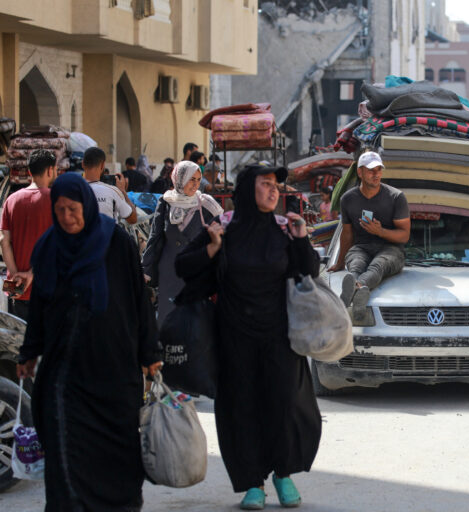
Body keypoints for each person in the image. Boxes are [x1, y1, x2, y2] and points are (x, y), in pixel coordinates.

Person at [175, 164, 321, 510]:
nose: (273, 191)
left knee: (284, 404)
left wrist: (302, 241)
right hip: (233, 338)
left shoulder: (285, 229)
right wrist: (211, 249)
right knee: (241, 408)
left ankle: (283, 474)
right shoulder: (223, 227)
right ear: (246, 190)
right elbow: (183, 266)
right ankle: (252, 483)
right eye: (266, 184)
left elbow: (309, 270)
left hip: (279, 337)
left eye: (276, 186)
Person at [16, 173, 162, 510]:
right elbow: (39, 307)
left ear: (87, 204)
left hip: (114, 374)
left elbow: (139, 300)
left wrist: (149, 351)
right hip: (65, 375)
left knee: (118, 460)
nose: (67, 217)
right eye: (61, 210)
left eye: (73, 208)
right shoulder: (48, 248)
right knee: (65, 458)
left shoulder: (117, 244)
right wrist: (29, 352)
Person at [328, 151, 410, 320]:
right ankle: (358, 291)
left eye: (379, 169)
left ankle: (357, 288)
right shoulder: (348, 199)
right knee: (356, 265)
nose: (376, 174)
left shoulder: (396, 197)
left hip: (391, 250)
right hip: (361, 247)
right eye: (371, 170)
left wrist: (381, 232)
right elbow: (347, 233)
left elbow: (404, 236)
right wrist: (340, 262)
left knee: (378, 266)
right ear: (360, 172)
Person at [142, 160, 223, 326]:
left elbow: (222, 230)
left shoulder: (206, 205)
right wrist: (146, 270)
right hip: (169, 271)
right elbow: (155, 237)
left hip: (195, 271)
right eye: (191, 179)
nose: (195, 185)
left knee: (194, 321)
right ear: (179, 178)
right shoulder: (165, 202)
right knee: (167, 318)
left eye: (198, 180)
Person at [0, 149, 56, 320]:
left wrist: (16, 275)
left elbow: (4, 241)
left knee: (18, 343)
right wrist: (32, 273)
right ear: (50, 170)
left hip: (16, 288)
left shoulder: (11, 200)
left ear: (30, 172)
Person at [84, 147, 138, 224]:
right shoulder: (113, 191)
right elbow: (133, 219)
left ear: (82, 164)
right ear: (102, 165)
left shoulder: (72, 190)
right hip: (107, 235)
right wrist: (123, 191)